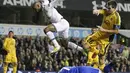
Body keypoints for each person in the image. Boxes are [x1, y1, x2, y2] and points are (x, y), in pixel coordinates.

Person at [82, 0, 121, 70]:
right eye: (107, 7)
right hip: (99, 34)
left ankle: (102, 69)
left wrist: (104, 30)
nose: (107, 9)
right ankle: (93, 52)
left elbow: (116, 31)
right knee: (84, 43)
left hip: (106, 39)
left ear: (114, 8)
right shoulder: (106, 11)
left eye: (109, 8)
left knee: (102, 58)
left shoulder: (117, 17)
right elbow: (101, 11)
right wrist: (96, 11)